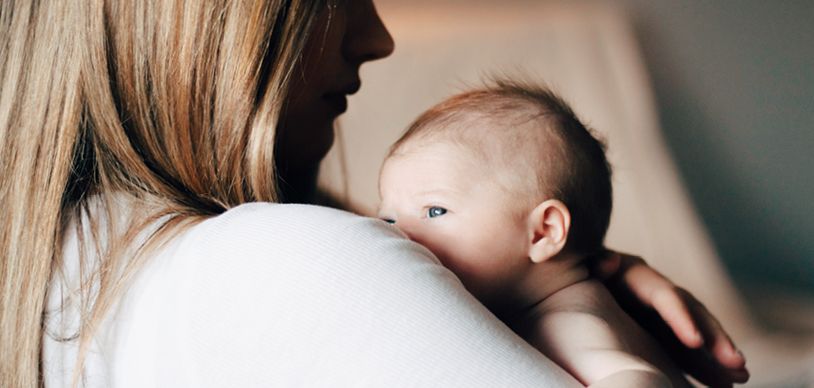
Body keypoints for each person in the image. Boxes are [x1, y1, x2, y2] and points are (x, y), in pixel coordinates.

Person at [0, 1, 748, 387]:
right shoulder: (282, 261)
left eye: (432, 213)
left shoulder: (57, 267)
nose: (377, 35)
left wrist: (575, 279)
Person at [378, 80, 690, 387]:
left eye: (435, 211)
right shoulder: (548, 306)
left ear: (543, 232)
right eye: (388, 220)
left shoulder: (564, 322)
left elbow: (641, 380)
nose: (399, 234)